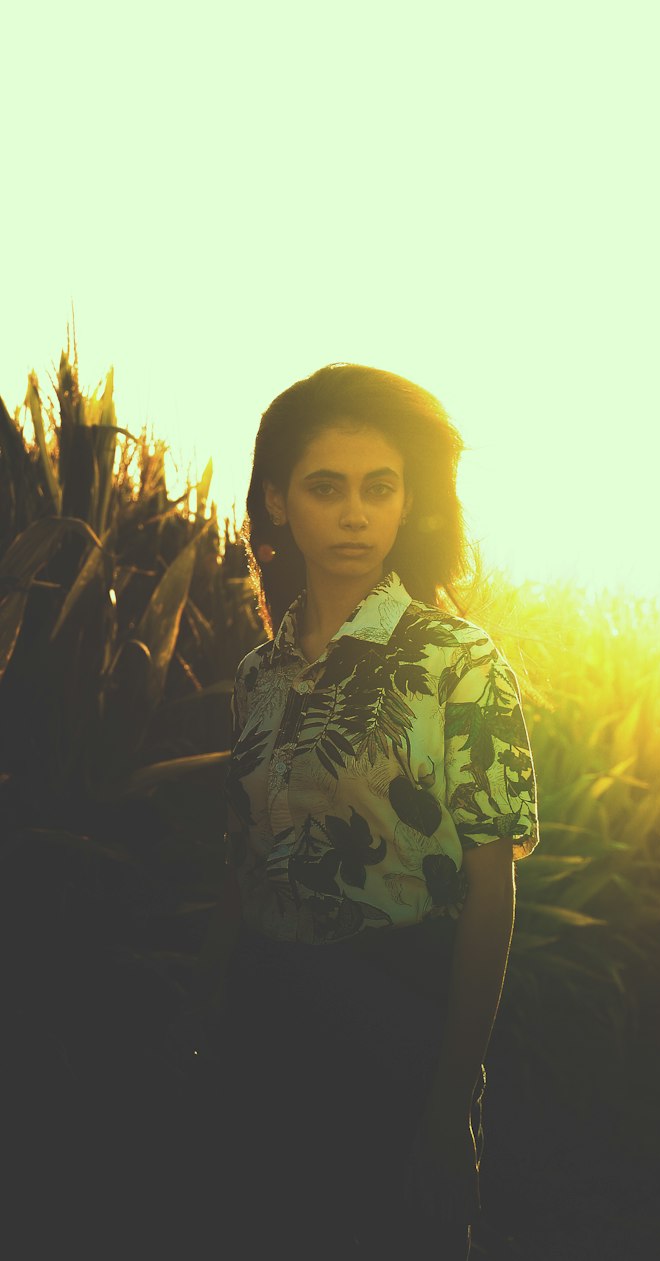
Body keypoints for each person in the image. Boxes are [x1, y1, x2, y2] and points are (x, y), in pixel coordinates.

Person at [179, 363, 540, 1259]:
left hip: (396, 1027)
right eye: (325, 487)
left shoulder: (459, 662)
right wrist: (205, 1014)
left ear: (408, 502)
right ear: (275, 502)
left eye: (379, 488)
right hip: (261, 1029)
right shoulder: (262, 673)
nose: (353, 513)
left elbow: (492, 897)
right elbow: (244, 857)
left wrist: (452, 1101)